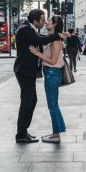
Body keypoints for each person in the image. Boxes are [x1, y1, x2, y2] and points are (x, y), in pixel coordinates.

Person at [14, 9, 65, 143]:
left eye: (46, 21)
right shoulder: (25, 29)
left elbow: (41, 39)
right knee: (27, 101)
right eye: (42, 21)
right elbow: (39, 40)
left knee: (32, 100)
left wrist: (58, 36)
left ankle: (23, 131)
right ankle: (21, 134)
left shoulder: (29, 28)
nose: (44, 23)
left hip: (30, 71)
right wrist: (57, 35)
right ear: (35, 21)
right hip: (25, 71)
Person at [29, 15, 66, 143]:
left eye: (49, 21)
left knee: (53, 105)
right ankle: (56, 132)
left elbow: (53, 60)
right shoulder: (53, 38)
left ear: (55, 24)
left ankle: (56, 135)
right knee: (53, 105)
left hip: (52, 73)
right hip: (50, 73)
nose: (46, 23)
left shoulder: (55, 41)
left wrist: (36, 53)